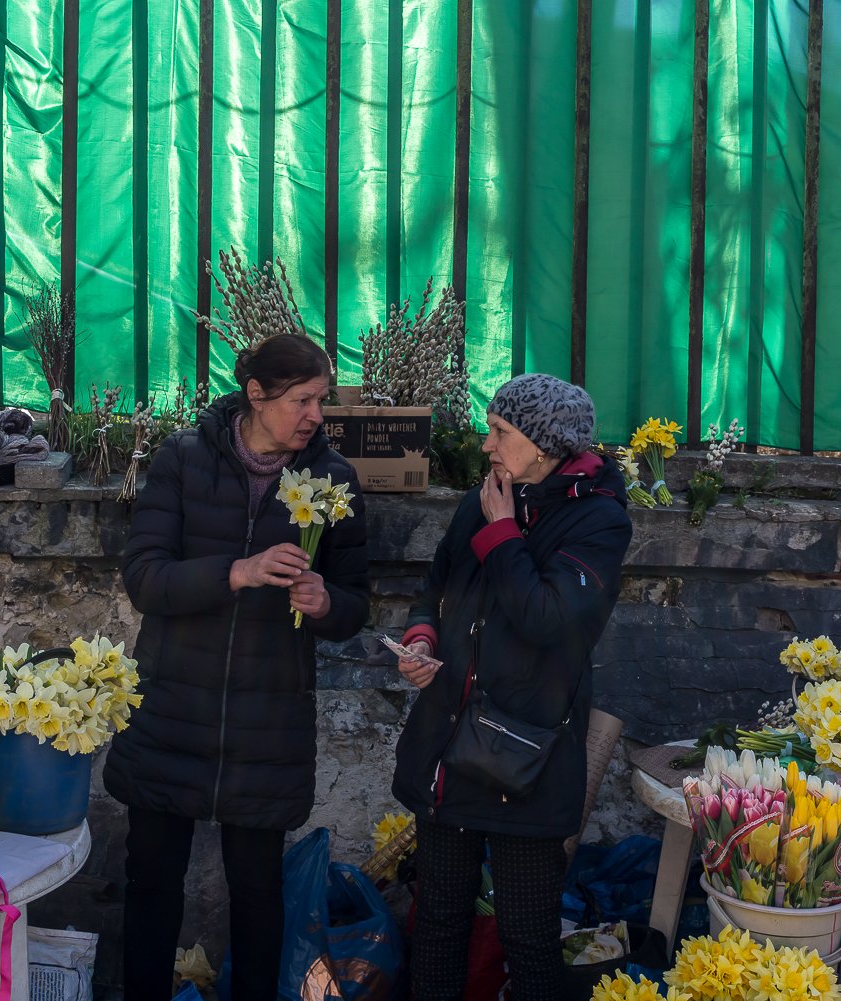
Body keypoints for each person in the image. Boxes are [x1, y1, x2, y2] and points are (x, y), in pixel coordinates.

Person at [104, 333, 370, 1001]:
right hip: (170, 709)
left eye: (321, 400)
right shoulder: (184, 459)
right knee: (153, 885)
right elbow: (145, 578)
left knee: (257, 895)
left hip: (267, 721)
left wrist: (323, 601)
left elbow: (355, 603)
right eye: (302, 400)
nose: (316, 414)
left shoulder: (332, 478)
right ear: (256, 395)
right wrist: (239, 571)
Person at [391, 372, 633, 1001]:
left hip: (525, 753)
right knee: (439, 920)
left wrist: (502, 533)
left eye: (501, 432)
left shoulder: (599, 522)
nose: (487, 446)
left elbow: (548, 620)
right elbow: (437, 586)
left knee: (526, 933)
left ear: (546, 444)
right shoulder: (486, 497)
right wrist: (421, 638)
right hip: (452, 739)